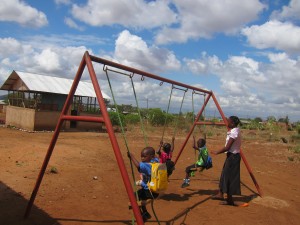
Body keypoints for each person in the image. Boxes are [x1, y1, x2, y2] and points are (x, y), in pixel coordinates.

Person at [210, 116, 242, 206]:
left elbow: (227, 147)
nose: (227, 122)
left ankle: (230, 200)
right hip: (231, 156)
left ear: (232, 123)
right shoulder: (234, 130)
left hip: (233, 157)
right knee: (224, 174)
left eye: (228, 121)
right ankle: (220, 193)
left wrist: (217, 152)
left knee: (229, 177)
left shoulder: (234, 133)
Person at [127, 147, 159, 222]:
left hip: (149, 192)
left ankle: (142, 215)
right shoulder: (155, 161)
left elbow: (138, 166)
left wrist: (131, 156)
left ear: (151, 156)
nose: (142, 158)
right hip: (155, 190)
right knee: (140, 197)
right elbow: (156, 157)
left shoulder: (147, 165)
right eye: (141, 156)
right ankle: (145, 212)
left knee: (133, 197)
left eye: (144, 156)